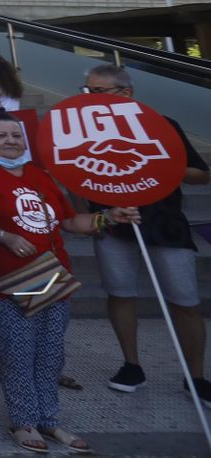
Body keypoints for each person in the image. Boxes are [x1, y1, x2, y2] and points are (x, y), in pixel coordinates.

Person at [0, 109, 137, 453]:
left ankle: (49, 420)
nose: (10, 141)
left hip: (53, 275)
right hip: (11, 278)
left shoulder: (40, 175)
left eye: (16, 135)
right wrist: (3, 236)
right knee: (18, 354)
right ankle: (23, 422)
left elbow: (69, 222)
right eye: (1, 135)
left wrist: (107, 217)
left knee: (51, 354)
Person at [80, 64, 211, 400]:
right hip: (113, 221)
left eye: (97, 91)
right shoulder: (82, 130)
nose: (89, 98)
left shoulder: (163, 125)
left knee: (185, 300)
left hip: (165, 222)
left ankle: (196, 377)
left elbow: (200, 174)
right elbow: (73, 175)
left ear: (125, 93)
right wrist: (91, 217)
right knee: (120, 293)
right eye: (87, 91)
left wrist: (164, 164)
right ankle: (131, 365)